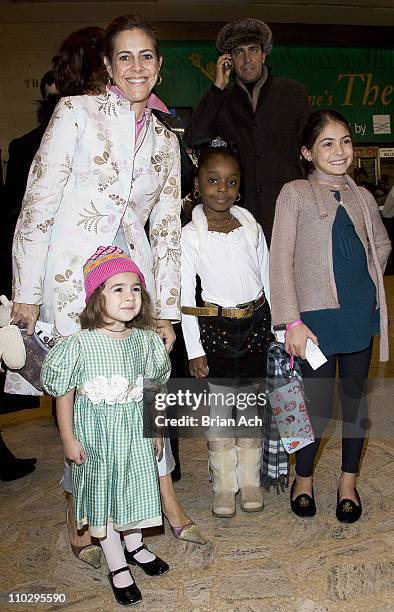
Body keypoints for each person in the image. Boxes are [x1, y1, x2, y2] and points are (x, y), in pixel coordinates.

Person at [9, 13, 205, 566]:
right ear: (107, 65)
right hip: (73, 282)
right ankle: (83, 515)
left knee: (141, 397)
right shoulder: (77, 112)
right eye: (125, 56)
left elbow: (166, 230)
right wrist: (26, 289)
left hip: (132, 286)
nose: (137, 66)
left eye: (147, 56)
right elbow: (39, 204)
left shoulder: (168, 140)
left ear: (160, 66)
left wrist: (166, 310)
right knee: (84, 400)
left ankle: (150, 501)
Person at [269, 110, 391, 523]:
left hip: (359, 315)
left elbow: (381, 242)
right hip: (314, 323)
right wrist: (291, 320)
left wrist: (370, 282)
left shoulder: (359, 194)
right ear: (307, 152)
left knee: (356, 403)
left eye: (345, 141)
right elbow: (279, 260)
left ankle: (348, 482)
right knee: (314, 406)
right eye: (327, 143)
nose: (339, 151)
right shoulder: (295, 193)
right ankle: (302, 479)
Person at [41, 247, 170, 605]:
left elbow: (151, 388)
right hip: (96, 436)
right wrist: (68, 437)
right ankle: (117, 564)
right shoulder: (79, 344)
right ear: (96, 296)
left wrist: (156, 429)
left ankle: (135, 545)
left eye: (135, 289)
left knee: (134, 488)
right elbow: (63, 392)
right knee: (107, 497)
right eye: (118, 288)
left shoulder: (144, 341)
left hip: (133, 433)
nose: (130, 297)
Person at [180, 137, 272, 518]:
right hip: (216, 331)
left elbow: (268, 278)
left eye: (231, 181)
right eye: (213, 180)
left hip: (257, 325)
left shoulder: (251, 226)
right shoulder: (190, 236)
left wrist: (279, 329)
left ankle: (249, 481)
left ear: (241, 186)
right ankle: (223, 485)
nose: (223, 189)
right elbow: (185, 297)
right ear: (197, 185)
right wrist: (194, 350)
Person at [184, 18, 311, 244]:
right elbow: (194, 137)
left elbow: (311, 151)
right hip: (242, 217)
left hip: (290, 213)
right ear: (229, 60)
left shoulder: (293, 93)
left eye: (253, 50)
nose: (247, 59)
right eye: (238, 52)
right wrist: (217, 87)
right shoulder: (221, 101)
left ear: (264, 54)